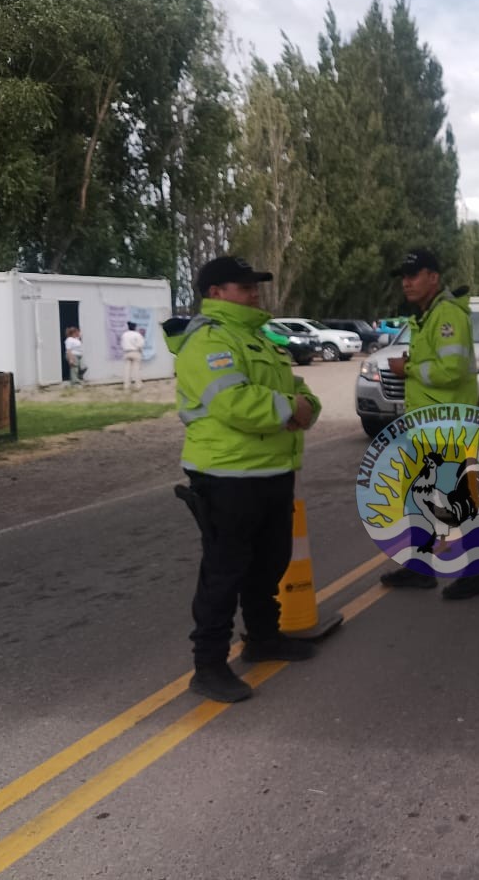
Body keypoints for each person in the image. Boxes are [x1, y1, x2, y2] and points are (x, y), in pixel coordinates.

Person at [166, 255, 322, 704]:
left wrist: (302, 405)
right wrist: (292, 408)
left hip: (272, 470)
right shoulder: (206, 341)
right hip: (227, 474)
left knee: (270, 562)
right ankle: (209, 665)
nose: (254, 292)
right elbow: (233, 401)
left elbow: (301, 389)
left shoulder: (258, 337)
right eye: (244, 286)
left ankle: (264, 638)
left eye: (255, 285)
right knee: (224, 572)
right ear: (216, 292)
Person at [380, 247, 479, 601]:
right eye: (404, 276)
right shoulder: (426, 316)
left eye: (414, 275)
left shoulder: (447, 316)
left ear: (434, 277)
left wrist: (408, 368)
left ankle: (478, 573)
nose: (406, 282)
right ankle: (421, 568)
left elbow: (451, 370)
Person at [120, 321, 146, 391]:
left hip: (126, 352)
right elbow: (141, 344)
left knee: (127, 370)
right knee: (136, 370)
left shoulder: (124, 334)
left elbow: (122, 344)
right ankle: (138, 385)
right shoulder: (137, 334)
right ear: (135, 327)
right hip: (135, 352)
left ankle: (126, 385)